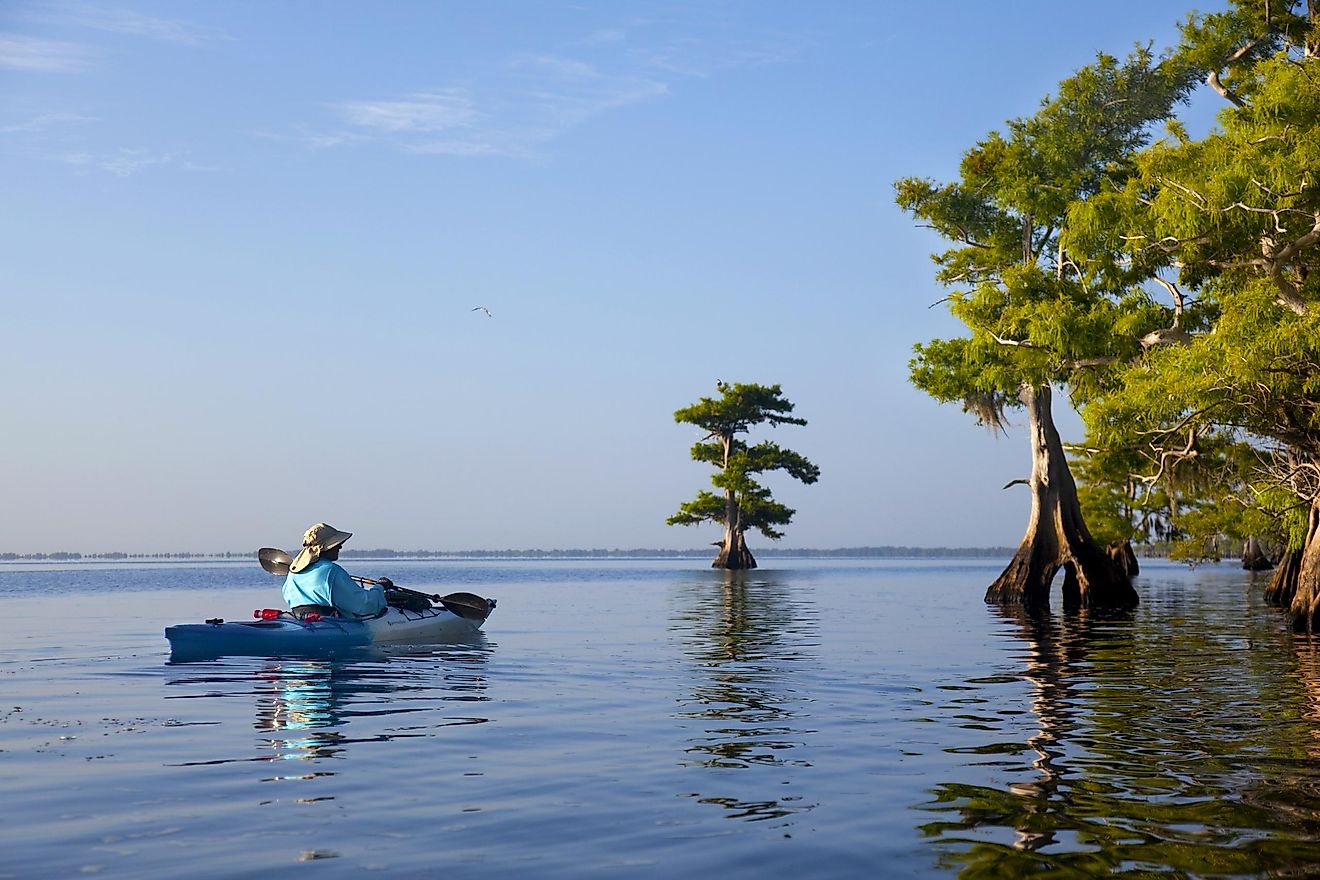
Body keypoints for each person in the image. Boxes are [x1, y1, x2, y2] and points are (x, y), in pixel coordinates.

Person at [282, 522, 391, 619]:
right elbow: (365, 605)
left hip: (298, 619)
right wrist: (379, 587)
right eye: (336, 544)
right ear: (325, 548)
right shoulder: (331, 570)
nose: (340, 547)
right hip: (326, 622)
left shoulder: (293, 571)